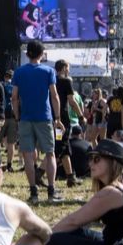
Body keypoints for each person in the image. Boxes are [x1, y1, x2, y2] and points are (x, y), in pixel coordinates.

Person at [47, 139, 123, 245]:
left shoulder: (110, 192)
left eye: (97, 159)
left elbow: (73, 220)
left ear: (112, 162)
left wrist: (40, 238)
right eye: (90, 158)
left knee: (53, 241)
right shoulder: (118, 187)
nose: (91, 164)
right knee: (75, 232)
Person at [11, 40, 63, 204]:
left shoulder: (19, 72)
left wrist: (18, 117)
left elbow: (14, 97)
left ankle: (33, 192)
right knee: (50, 153)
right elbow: (54, 96)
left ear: (27, 54)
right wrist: (58, 118)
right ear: (42, 54)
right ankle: (51, 190)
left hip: (26, 118)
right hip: (45, 117)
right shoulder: (48, 71)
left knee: (28, 156)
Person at [54, 60, 84, 188]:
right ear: (64, 68)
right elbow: (71, 101)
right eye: (68, 68)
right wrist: (81, 116)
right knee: (60, 146)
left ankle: (70, 177)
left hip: (54, 117)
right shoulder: (67, 81)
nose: (69, 70)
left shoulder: (52, 80)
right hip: (63, 120)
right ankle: (41, 171)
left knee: (64, 147)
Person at [0, 69, 19, 171]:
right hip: (13, 117)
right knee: (11, 143)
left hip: (1, 116)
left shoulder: (0, 85)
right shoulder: (16, 87)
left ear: (5, 77)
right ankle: (9, 165)